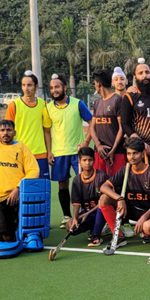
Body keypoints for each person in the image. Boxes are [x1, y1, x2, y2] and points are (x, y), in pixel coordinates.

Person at [46, 73, 94, 229]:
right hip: (59, 153)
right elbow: (47, 131)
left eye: (57, 87)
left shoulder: (77, 104)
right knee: (62, 185)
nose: (54, 90)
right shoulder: (48, 108)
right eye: (52, 87)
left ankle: (87, 212)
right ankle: (66, 215)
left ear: (65, 87)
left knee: (84, 183)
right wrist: (49, 151)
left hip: (77, 152)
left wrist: (86, 141)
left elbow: (92, 121)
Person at [98, 137, 150, 248]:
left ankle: (148, 230)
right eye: (129, 154)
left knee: (148, 229)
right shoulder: (125, 170)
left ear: (142, 154)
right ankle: (118, 236)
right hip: (130, 209)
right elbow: (103, 187)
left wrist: (144, 218)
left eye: (135, 153)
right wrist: (120, 199)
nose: (131, 157)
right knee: (104, 198)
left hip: (149, 212)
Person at [121, 58, 150, 175]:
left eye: (147, 72)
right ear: (135, 77)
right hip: (140, 151)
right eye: (141, 73)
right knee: (143, 185)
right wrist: (139, 142)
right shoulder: (130, 97)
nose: (145, 76)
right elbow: (125, 124)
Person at [4, 70, 52, 180]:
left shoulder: (44, 105)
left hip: (40, 154)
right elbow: (7, 132)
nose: (26, 88)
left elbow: (47, 131)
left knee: (42, 189)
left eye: (29, 85)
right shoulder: (14, 105)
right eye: (23, 85)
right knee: (21, 190)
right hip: (20, 154)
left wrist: (49, 152)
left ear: (36, 87)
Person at [67, 147, 109, 247]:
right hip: (87, 213)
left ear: (94, 161)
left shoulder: (101, 176)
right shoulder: (77, 180)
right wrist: (75, 218)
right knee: (70, 227)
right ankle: (93, 227)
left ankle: (96, 235)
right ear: (80, 161)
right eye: (84, 160)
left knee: (101, 209)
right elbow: (76, 203)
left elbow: (104, 202)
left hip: (101, 210)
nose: (87, 163)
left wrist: (87, 214)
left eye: (90, 160)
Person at [88, 69, 126, 176]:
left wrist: (113, 150)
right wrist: (98, 145)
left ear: (98, 84)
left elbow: (121, 128)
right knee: (100, 185)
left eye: (95, 83)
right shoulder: (97, 103)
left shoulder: (117, 100)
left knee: (118, 185)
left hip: (117, 153)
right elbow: (92, 127)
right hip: (99, 153)